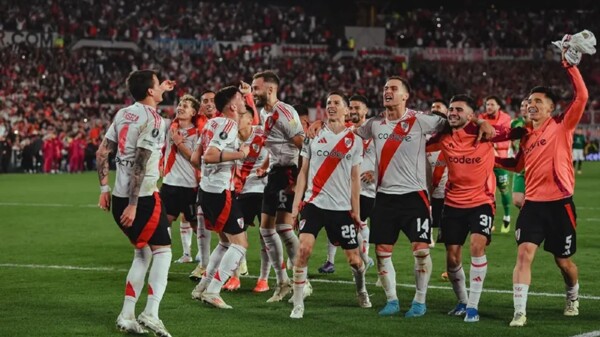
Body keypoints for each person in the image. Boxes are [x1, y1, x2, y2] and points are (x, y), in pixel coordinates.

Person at [496, 49, 588, 327]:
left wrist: (569, 66)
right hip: (533, 205)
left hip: (560, 204)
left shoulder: (562, 125)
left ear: (550, 108)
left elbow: (582, 96)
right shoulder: (526, 136)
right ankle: (519, 311)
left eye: (538, 101)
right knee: (524, 254)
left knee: (564, 263)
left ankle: (572, 294)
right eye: (529, 100)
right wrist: (492, 159)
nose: (532, 104)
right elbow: (517, 165)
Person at [95, 69, 174, 337]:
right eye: (158, 84)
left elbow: (102, 151)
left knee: (143, 253)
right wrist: (133, 204)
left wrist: (104, 188)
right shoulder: (154, 120)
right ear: (150, 91)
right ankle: (151, 312)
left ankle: (127, 315)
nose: (162, 88)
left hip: (117, 197)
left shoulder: (123, 113)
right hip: (140, 200)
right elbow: (140, 162)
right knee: (163, 252)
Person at [427, 94, 519, 323]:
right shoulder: (443, 135)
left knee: (477, 247)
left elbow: (517, 132)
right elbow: (414, 140)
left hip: (481, 202)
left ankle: (473, 307)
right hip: (452, 203)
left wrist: (481, 122)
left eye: (459, 109)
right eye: (451, 109)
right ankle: (462, 301)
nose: (453, 112)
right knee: (451, 257)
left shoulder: (485, 133)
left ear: (470, 115)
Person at [289, 92, 370, 319]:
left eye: (336, 103)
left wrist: (356, 212)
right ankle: (297, 303)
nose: (331, 107)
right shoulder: (313, 135)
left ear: (346, 110)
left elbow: (355, 179)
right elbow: (302, 172)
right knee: (303, 250)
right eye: (328, 104)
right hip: (314, 204)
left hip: (341, 208)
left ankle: (361, 289)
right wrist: (296, 207)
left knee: (354, 260)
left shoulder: (354, 141)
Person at [190, 86, 251, 309]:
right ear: (233, 106)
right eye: (241, 98)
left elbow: (196, 159)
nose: (244, 101)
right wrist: (240, 154)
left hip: (206, 190)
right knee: (241, 244)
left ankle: (202, 287)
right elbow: (210, 156)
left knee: (225, 242)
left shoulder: (211, 123)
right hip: (219, 192)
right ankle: (214, 291)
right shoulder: (227, 124)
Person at [251, 70, 308, 303]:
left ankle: (301, 282)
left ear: (270, 89)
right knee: (266, 230)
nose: (254, 93)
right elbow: (274, 143)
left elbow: (302, 145)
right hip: (275, 174)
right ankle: (282, 281)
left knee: (284, 228)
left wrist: (301, 181)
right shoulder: (264, 113)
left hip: (289, 174)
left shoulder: (286, 113)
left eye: (256, 88)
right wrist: (266, 164)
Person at [317, 94, 375, 274]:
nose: (354, 111)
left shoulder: (376, 132)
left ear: (366, 111)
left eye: (358, 108)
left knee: (358, 224)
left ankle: (364, 259)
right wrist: (317, 124)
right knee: (336, 225)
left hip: (367, 191)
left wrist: (375, 173)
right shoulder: (346, 131)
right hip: (344, 189)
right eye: (351, 107)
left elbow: (388, 158)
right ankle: (333, 261)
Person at [222, 82, 271, 293]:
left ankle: (264, 279)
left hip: (264, 190)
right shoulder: (229, 138)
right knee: (234, 232)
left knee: (266, 235)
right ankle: (234, 276)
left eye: (240, 115)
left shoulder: (262, 135)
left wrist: (267, 168)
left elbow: (278, 154)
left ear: (250, 119)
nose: (235, 118)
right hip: (241, 191)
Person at [160, 94, 201, 264]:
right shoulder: (170, 127)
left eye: (186, 105)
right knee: (164, 222)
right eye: (180, 104)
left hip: (189, 185)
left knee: (194, 223)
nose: (181, 107)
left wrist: (179, 143)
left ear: (193, 112)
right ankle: (165, 255)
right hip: (169, 183)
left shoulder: (198, 133)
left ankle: (201, 254)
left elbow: (195, 159)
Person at [188, 90, 217, 281]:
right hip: (205, 181)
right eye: (204, 101)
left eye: (212, 101)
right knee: (201, 220)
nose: (208, 104)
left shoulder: (226, 121)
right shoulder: (203, 125)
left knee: (227, 227)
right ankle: (204, 264)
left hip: (228, 181)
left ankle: (239, 263)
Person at [481, 95, 513, 232]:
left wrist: (491, 143)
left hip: (501, 160)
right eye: (487, 104)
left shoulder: (505, 118)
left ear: (499, 106)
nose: (489, 107)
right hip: (485, 162)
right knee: (487, 192)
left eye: (492, 104)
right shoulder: (481, 118)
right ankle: (490, 220)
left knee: (504, 189)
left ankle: (507, 217)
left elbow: (505, 137)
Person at [426, 99, 449, 249]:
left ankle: (444, 234)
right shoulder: (425, 134)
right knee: (426, 208)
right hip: (426, 180)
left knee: (445, 213)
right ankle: (428, 237)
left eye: (438, 106)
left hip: (446, 182)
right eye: (433, 106)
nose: (435, 108)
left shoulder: (451, 134)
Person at [511, 99, 530, 209]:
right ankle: (530, 220)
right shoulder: (515, 123)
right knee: (518, 200)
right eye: (522, 105)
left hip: (534, 166)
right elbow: (511, 140)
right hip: (520, 166)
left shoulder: (537, 124)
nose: (523, 108)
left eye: (526, 105)